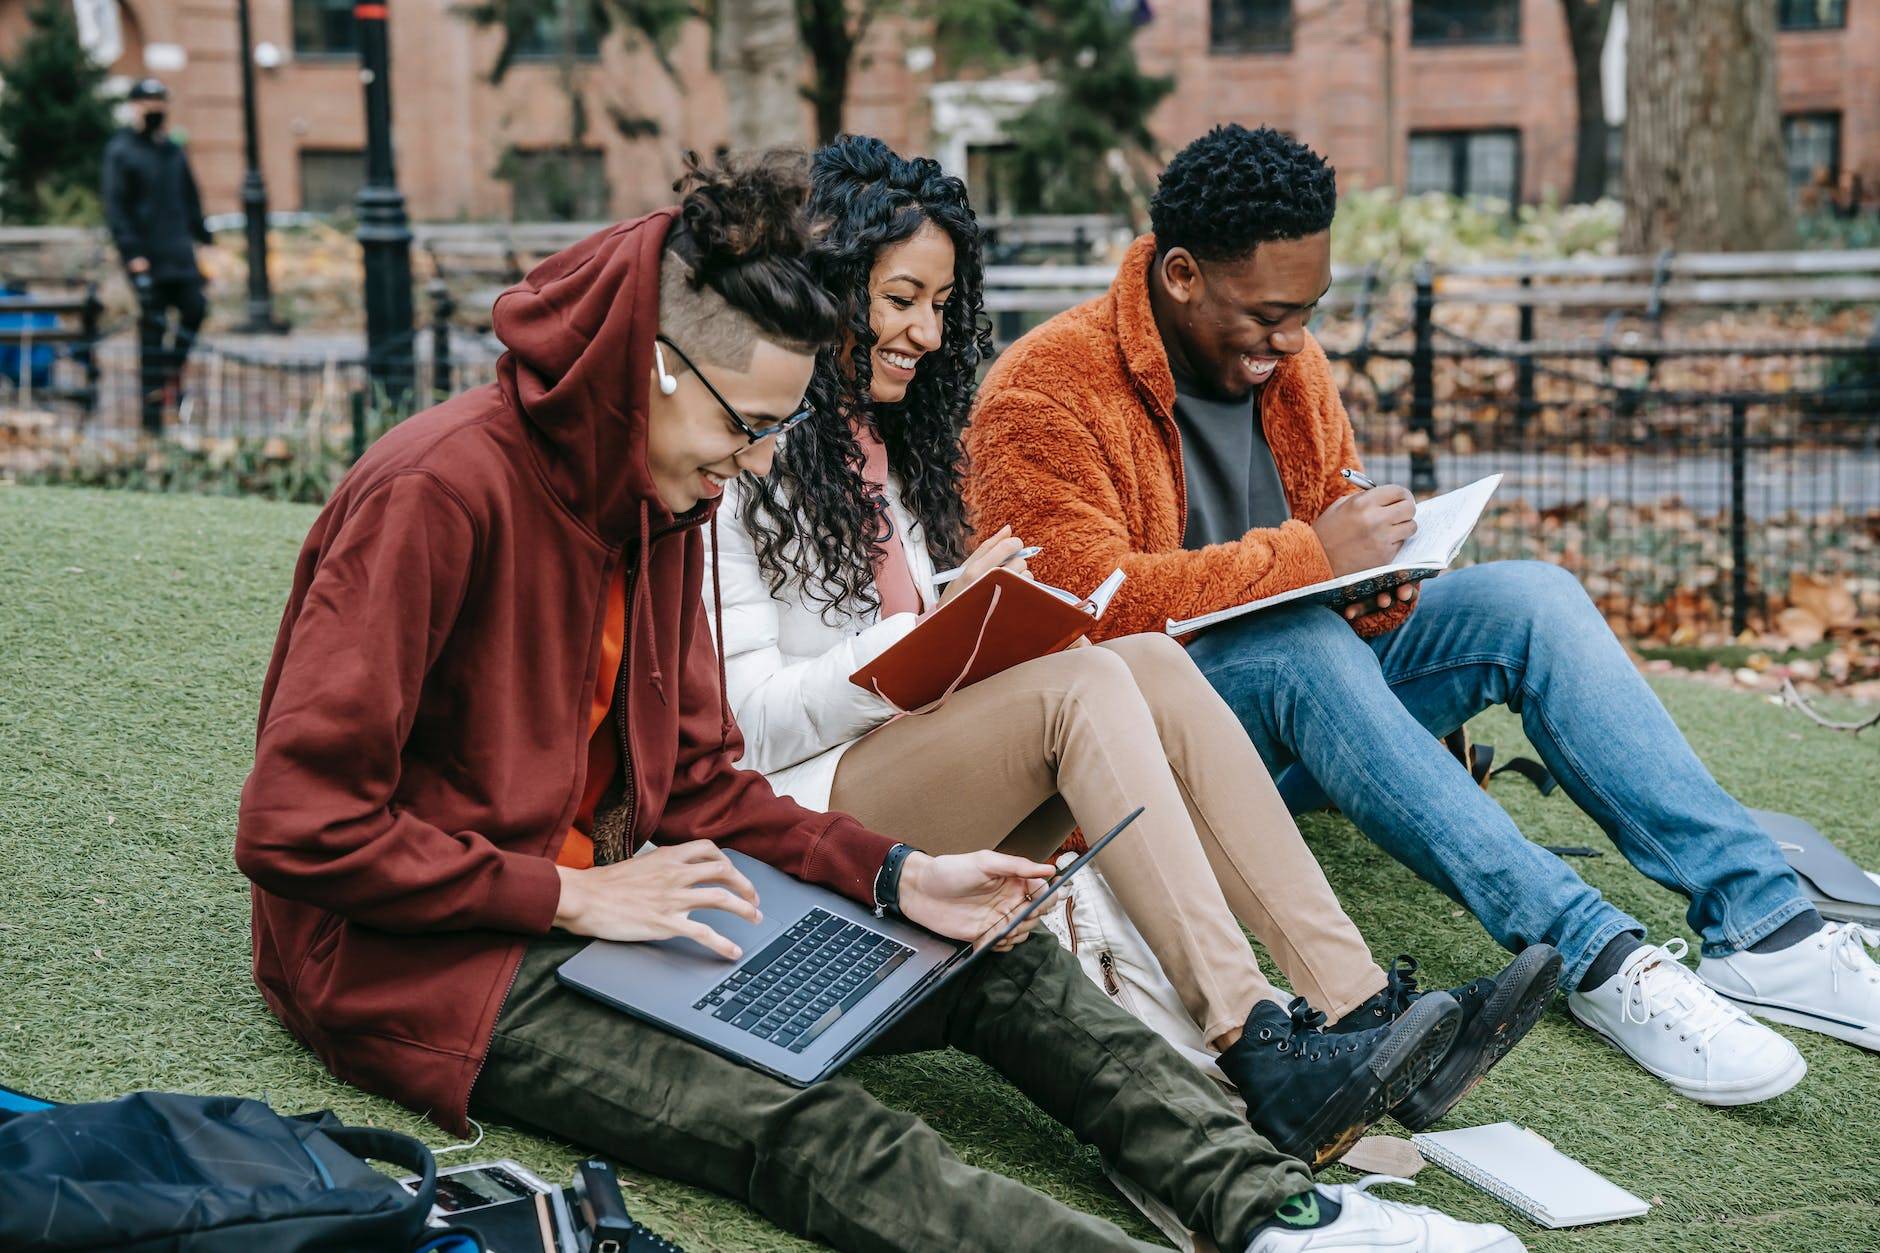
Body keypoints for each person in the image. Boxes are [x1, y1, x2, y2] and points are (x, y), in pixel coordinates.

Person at [233, 150, 1523, 1253]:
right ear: (659, 368)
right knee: (800, 1122)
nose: (746, 469)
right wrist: (573, 893)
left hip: (650, 890)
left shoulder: (663, 492)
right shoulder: (434, 494)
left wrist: (897, 873)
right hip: (449, 963)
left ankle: (1278, 1215)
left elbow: (697, 782)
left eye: (767, 438)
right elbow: (296, 824)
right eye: (741, 429)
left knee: (990, 959)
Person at [965, 123, 1880, 1107]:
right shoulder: (1041, 390)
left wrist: (1379, 572)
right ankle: (1599, 957)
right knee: (1291, 643)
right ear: (1182, 274)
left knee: (1531, 597)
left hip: (1310, 691)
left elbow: (1332, 525)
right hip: (1159, 742)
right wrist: (1314, 558)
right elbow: (1071, 620)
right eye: (1268, 315)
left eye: (1306, 313)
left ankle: (1762, 928)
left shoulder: (1288, 359)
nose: (1288, 344)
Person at [711, 135, 1558, 1170]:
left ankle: (1353, 1007)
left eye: (939, 305)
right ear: (827, 284)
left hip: (906, 759)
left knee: (1144, 664)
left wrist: (963, 612)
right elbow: (743, 724)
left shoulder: (898, 443)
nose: (924, 333)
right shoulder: (732, 450)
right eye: (898, 299)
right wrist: (931, 630)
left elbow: (908, 637)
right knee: (1080, 682)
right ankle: (1254, 1039)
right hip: (798, 816)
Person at [101, 77, 211, 433]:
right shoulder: (121, 150)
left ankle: (168, 374)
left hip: (179, 253)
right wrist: (132, 254)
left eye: (159, 102)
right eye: (147, 102)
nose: (154, 108)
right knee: (151, 329)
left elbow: (191, 199)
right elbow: (116, 208)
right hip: (146, 257)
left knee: (195, 309)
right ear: (135, 106)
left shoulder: (172, 150)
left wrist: (205, 241)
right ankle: (151, 415)